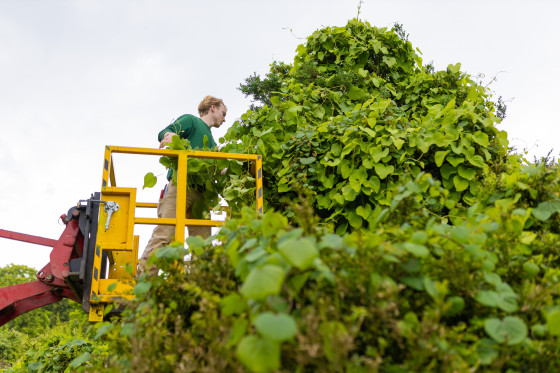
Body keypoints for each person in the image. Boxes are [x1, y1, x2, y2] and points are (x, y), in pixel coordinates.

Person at [138, 95, 227, 275]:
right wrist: (169, 135)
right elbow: (166, 131)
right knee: (164, 233)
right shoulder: (191, 121)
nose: (225, 119)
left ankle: (199, 284)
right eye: (223, 113)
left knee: (203, 244)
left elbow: (219, 169)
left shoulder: (213, 143)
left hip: (201, 195)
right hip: (180, 185)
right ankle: (144, 281)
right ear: (213, 107)